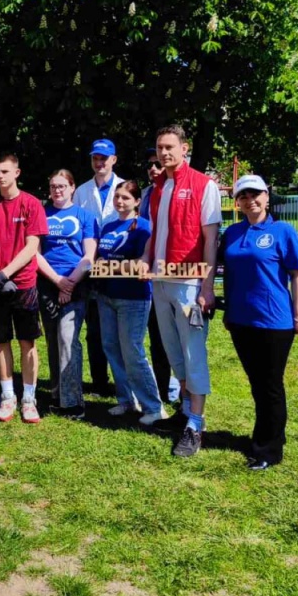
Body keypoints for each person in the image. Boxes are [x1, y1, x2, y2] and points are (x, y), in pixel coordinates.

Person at [140, 125, 222, 458]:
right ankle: (186, 412)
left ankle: (196, 425)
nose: (164, 152)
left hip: (189, 284)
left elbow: (211, 239)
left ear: (184, 148)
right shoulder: (157, 186)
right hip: (160, 282)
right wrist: (145, 260)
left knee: (193, 354)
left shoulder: (205, 184)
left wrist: (207, 286)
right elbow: (152, 232)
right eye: (160, 147)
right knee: (174, 353)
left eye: (170, 146)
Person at [222, 174, 298, 470]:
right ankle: (268, 437)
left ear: (267, 196)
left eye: (255, 194)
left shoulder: (283, 231)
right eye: (244, 196)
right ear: (238, 202)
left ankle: (268, 450)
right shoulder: (232, 233)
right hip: (240, 320)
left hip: (274, 322)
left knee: (270, 385)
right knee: (257, 384)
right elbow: (227, 274)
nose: (250, 200)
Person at [0, 153, 49, 423]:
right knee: (1, 341)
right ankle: (8, 397)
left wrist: (5, 274)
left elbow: (32, 246)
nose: (0, 176)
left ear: (17, 173)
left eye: (5, 171)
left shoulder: (31, 204)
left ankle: (29, 398)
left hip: (24, 284)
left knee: (27, 342)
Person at [95, 180, 168, 425]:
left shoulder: (144, 227)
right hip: (106, 296)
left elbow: (142, 264)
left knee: (132, 351)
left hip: (133, 298)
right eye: (117, 196)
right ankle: (126, 400)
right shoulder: (108, 226)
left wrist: (109, 267)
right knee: (112, 349)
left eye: (126, 197)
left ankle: (153, 406)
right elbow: (98, 259)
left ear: (137, 201)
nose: (119, 201)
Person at [36, 170, 96, 419]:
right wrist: (58, 281)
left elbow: (89, 255)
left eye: (62, 186)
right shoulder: (42, 214)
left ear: (72, 188)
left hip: (76, 282)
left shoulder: (85, 216)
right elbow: (36, 253)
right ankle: (57, 393)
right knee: (52, 340)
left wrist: (69, 283)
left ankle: (73, 402)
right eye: (52, 186)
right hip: (49, 283)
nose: (57, 190)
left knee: (67, 337)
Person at [74, 139, 123, 395]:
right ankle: (100, 382)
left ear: (114, 159)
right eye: (96, 158)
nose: (100, 162)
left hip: (118, 267)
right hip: (90, 267)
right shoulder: (81, 191)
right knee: (94, 330)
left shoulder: (124, 188)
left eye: (104, 158)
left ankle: (123, 381)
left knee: (118, 331)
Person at [139, 148, 181, 406]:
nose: (154, 168)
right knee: (156, 332)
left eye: (158, 164)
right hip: (149, 268)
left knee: (176, 334)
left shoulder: (175, 190)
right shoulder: (145, 194)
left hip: (173, 270)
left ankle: (179, 386)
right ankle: (162, 386)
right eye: (150, 165)